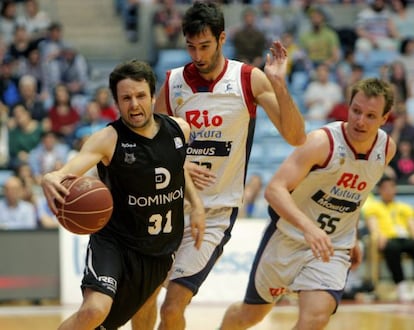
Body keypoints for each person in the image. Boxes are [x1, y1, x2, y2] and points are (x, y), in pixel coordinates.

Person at [141, 2, 306, 329]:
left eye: (205, 46)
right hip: (170, 205)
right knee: (143, 298)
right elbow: (151, 146)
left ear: (221, 38)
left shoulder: (247, 79)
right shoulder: (173, 82)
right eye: (191, 47)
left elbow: (296, 136)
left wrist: (279, 85)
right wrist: (181, 167)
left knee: (172, 308)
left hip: (216, 211)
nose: (198, 55)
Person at [220, 77, 397, 330]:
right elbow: (274, 190)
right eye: (356, 111)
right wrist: (309, 228)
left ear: (384, 118)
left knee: (314, 319)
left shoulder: (386, 149)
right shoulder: (322, 142)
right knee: (250, 315)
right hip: (288, 238)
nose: (360, 120)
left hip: (333, 246)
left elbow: (357, 196)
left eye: (370, 115)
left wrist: (353, 236)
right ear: (348, 106)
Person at [40, 59, 205, 330]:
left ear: (153, 97)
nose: (134, 104)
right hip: (115, 242)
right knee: (94, 311)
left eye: (140, 96)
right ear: (116, 102)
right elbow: (71, 169)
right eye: (126, 98)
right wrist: (53, 176)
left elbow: (177, 170)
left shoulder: (179, 130)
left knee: (142, 310)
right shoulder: (108, 139)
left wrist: (196, 205)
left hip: (159, 249)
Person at [363, 175, 414, 301]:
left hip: (404, 238)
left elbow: (412, 225)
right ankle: (401, 285)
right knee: (392, 248)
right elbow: (373, 227)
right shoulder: (373, 207)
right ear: (380, 190)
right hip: (387, 239)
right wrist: (378, 236)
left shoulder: (405, 207)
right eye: (385, 188)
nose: (389, 191)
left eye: (392, 187)